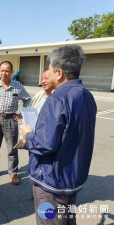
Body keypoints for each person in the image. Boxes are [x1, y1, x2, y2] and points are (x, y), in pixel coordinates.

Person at [21, 45, 97, 225]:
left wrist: (28, 134)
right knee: (68, 220)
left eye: (49, 68)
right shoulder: (87, 96)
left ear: (59, 73)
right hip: (72, 178)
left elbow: (44, 144)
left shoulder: (57, 99)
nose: (47, 72)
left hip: (51, 181)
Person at [0, 61, 31, 184]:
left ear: (11, 72)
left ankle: (13, 173)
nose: (4, 73)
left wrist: (21, 114)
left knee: (12, 149)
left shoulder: (17, 86)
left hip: (11, 120)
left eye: (7, 71)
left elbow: (27, 99)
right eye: (2, 70)